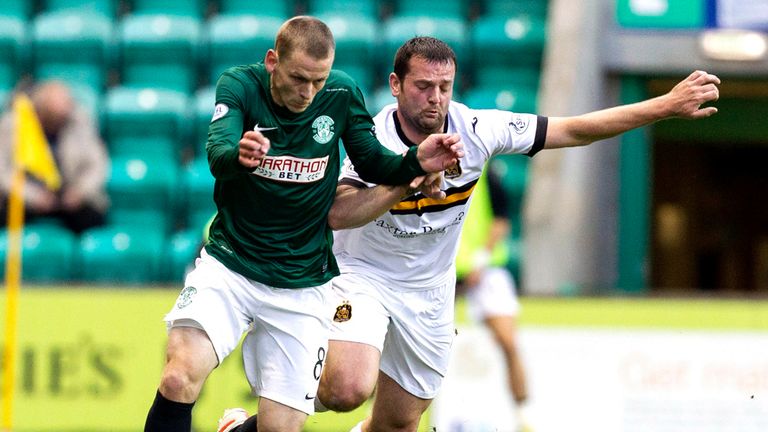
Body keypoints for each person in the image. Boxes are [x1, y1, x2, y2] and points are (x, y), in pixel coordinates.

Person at [220, 36, 719, 432]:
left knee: (397, 423)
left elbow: (575, 129)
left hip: (430, 294)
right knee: (346, 390)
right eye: (423, 87)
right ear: (395, 85)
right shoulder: (365, 136)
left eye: (445, 86)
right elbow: (336, 213)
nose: (436, 99)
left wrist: (665, 106)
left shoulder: (478, 129)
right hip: (362, 277)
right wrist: (407, 178)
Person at [144, 17, 463, 432]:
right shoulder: (239, 85)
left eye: (318, 80)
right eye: (298, 78)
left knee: (280, 427)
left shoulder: (341, 92)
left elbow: (371, 162)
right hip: (232, 265)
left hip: (302, 283)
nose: (308, 92)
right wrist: (238, 155)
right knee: (179, 374)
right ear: (273, 61)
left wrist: (416, 161)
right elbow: (217, 153)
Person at [453, 166, 531, 431]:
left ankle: (522, 416)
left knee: (508, 342)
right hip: (440, 270)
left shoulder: (487, 172)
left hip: (483, 271)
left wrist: (481, 261)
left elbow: (501, 221)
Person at [0, 80, 109, 234]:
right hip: (28, 196)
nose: (58, 122)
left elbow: (98, 165)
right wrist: (33, 196)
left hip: (70, 195)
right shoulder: (13, 123)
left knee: (93, 218)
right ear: (39, 111)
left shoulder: (79, 120)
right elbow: (3, 173)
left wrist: (80, 192)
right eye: (52, 118)